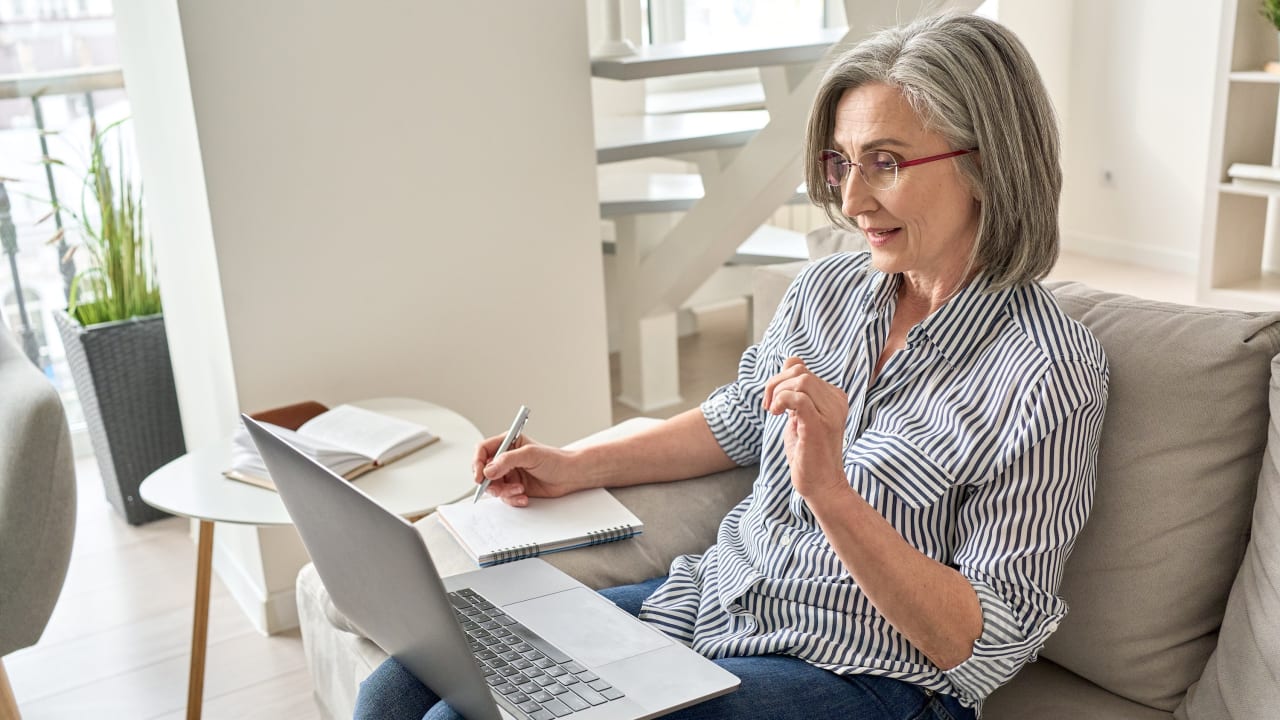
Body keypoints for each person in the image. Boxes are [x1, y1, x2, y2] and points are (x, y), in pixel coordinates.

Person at [355, 12, 1107, 720]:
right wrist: (576, 463)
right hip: (708, 605)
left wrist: (832, 496)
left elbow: (982, 644)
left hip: (862, 677)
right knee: (405, 677)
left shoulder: (1049, 373)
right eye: (841, 162)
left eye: (886, 163)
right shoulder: (827, 292)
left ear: (989, 163)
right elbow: (737, 420)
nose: (850, 199)